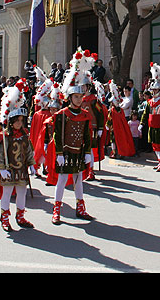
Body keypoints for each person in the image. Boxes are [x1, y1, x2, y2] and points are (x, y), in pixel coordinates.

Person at [48, 49, 96, 225]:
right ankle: (57, 209)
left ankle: (80, 207)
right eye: (76, 96)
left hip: (79, 152)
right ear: (69, 97)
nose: (79, 99)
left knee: (78, 180)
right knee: (61, 181)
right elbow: (57, 134)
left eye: (80, 96)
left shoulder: (84, 114)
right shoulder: (62, 114)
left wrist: (88, 152)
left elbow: (86, 134)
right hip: (66, 152)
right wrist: (59, 153)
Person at [0, 79, 36, 231]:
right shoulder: (4, 135)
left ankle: (20, 216)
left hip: (22, 170)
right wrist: (1, 169)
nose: (20, 123)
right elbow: (0, 153)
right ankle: (4, 217)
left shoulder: (25, 134)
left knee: (22, 193)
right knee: (6, 194)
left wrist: (32, 165)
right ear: (10, 121)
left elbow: (28, 150)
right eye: (17, 120)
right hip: (9, 169)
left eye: (21, 120)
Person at [105, 80, 136, 159]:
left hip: (119, 126)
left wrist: (108, 125)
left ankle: (120, 152)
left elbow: (123, 107)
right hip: (114, 128)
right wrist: (108, 125)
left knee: (119, 140)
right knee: (114, 140)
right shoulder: (114, 110)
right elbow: (110, 117)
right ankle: (115, 152)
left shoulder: (118, 110)